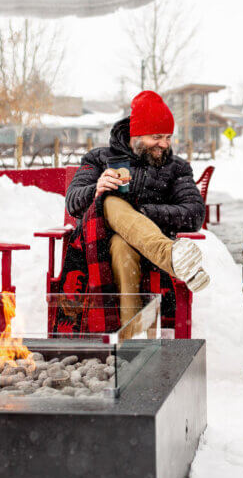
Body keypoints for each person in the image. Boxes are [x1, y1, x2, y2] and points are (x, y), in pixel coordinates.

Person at [65, 90, 209, 335]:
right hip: (97, 244)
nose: (164, 144)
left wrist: (142, 213)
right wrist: (95, 189)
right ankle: (171, 257)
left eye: (168, 137)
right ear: (136, 134)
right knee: (108, 199)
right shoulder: (99, 158)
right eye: (157, 137)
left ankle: (132, 339)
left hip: (145, 250)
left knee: (123, 245)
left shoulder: (176, 168)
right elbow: (72, 202)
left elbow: (194, 214)